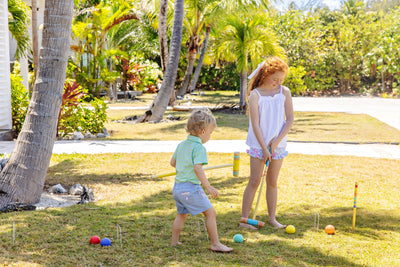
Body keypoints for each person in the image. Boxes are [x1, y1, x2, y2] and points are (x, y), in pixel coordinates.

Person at [241, 56, 294, 229]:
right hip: (258, 144)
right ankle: (244, 220)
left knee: (272, 181)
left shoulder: (284, 92)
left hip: (278, 145)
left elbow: (290, 119)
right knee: (255, 180)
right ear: (265, 75)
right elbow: (255, 124)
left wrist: (276, 141)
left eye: (281, 79)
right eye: (275, 79)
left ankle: (272, 218)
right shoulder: (255, 95)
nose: (278, 83)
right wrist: (264, 147)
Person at [170, 109, 232, 253]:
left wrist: (184, 167)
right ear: (203, 131)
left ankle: (174, 242)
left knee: (181, 215)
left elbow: (173, 163)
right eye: (210, 133)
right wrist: (208, 187)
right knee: (211, 213)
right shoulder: (199, 148)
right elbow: (198, 168)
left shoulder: (181, 145)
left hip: (178, 189)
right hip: (190, 189)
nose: (210, 136)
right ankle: (215, 243)